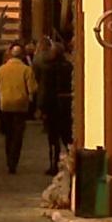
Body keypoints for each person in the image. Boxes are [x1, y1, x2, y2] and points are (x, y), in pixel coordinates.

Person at [0, 42, 38, 175]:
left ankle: (9, 159)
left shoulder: (1, 69)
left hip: (5, 105)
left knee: (8, 134)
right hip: (21, 105)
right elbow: (33, 88)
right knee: (18, 136)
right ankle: (14, 161)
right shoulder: (26, 70)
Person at [38, 41, 74, 175]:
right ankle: (72, 161)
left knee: (53, 138)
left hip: (52, 106)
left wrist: (41, 108)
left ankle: (54, 164)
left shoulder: (48, 68)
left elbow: (45, 90)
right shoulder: (68, 66)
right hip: (66, 104)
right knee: (67, 136)